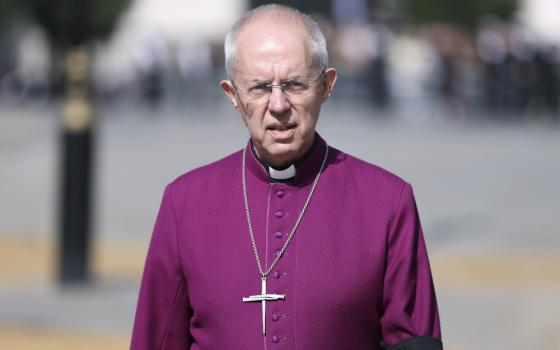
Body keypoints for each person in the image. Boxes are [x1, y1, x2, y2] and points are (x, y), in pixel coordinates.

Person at [131, 4, 442, 350]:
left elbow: (415, 343)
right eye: (260, 88)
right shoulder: (185, 202)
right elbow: (154, 340)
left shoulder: (386, 202)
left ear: (326, 86)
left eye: (294, 85)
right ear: (232, 95)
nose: (278, 105)